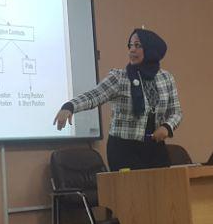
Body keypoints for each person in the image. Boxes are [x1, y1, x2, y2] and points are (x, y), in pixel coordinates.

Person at [54, 28, 182, 170]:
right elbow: (94, 95)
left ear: (151, 49)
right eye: (130, 45)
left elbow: (176, 112)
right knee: (132, 185)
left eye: (137, 45)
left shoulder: (166, 78)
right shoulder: (120, 77)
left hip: (155, 148)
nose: (132, 50)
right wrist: (69, 106)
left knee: (165, 183)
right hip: (124, 150)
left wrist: (167, 127)